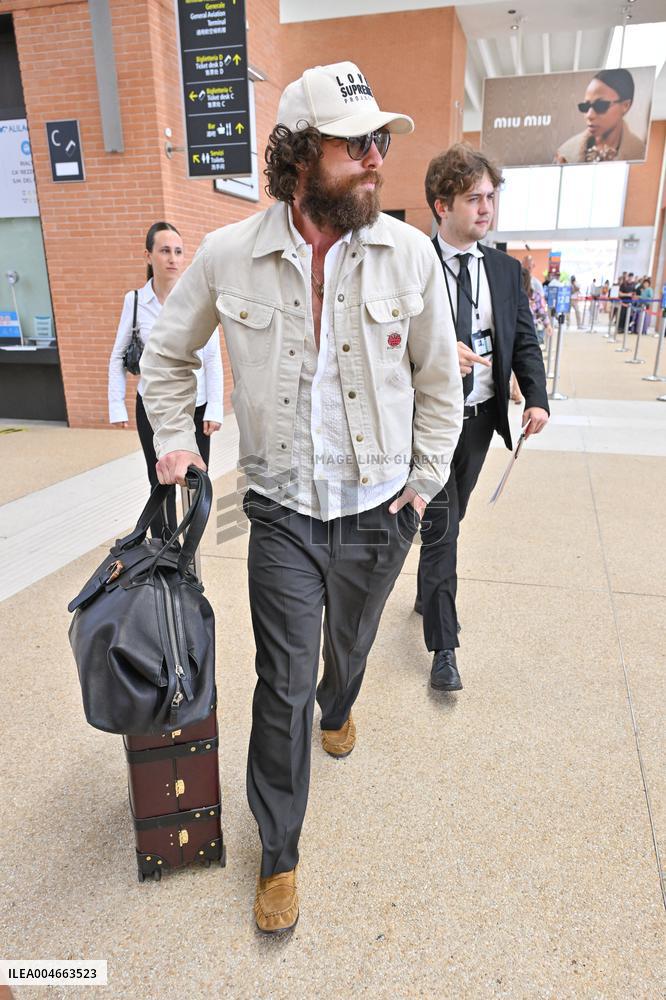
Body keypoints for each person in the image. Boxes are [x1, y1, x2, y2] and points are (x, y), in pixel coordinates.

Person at [140, 62, 463, 933]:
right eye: (356, 143)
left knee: (345, 651)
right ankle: (279, 853)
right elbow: (165, 359)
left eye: (381, 141)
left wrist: (425, 480)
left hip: (378, 508)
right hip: (280, 508)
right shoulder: (226, 255)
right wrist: (176, 439)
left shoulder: (410, 255)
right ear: (298, 158)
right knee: (280, 682)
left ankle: (345, 697)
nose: (376, 158)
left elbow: (440, 383)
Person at [415, 142, 549, 692]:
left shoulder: (505, 269)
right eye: (474, 199)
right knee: (443, 526)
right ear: (442, 204)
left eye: (491, 197)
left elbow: (525, 341)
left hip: (478, 418)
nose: (486, 209)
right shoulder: (411, 263)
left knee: (451, 518)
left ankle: (428, 592)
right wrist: (442, 347)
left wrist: (537, 397)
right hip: (425, 420)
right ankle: (444, 648)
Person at [108, 222, 223, 537]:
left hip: (196, 406)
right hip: (153, 404)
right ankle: (163, 546)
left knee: (195, 481)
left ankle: (190, 550)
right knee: (159, 478)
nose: (172, 258)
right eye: (164, 250)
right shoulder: (135, 301)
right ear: (148, 255)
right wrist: (115, 406)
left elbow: (212, 356)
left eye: (178, 251)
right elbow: (119, 354)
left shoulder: (198, 297)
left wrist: (215, 407)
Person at [555, 69, 645, 164]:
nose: (589, 115)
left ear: (625, 105)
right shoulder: (565, 153)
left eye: (600, 105)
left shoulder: (639, 153)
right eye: (585, 107)